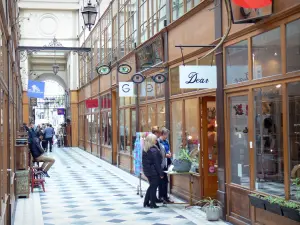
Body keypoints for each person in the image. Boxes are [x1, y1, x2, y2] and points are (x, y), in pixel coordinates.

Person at [142, 133, 164, 209]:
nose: (156, 141)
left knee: (152, 186)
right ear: (152, 141)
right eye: (155, 140)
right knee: (153, 187)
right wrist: (161, 173)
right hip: (153, 171)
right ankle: (152, 203)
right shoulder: (154, 150)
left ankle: (146, 202)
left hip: (148, 171)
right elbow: (157, 163)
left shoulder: (146, 149)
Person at [158, 127, 173, 203]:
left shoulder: (166, 141)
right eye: (166, 135)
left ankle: (165, 196)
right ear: (162, 134)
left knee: (165, 180)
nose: (167, 136)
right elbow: (158, 153)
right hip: (161, 163)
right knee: (162, 180)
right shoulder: (158, 142)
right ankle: (161, 197)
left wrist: (169, 153)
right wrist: (165, 155)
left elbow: (168, 149)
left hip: (167, 162)